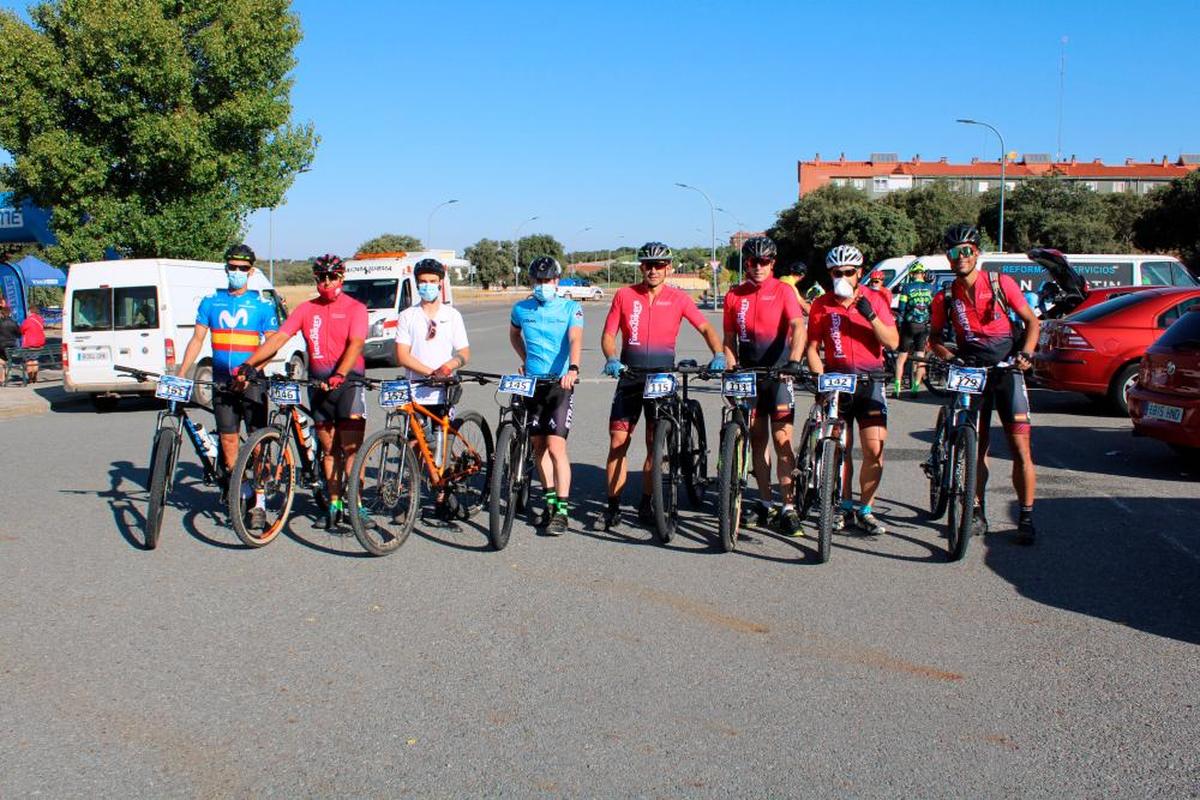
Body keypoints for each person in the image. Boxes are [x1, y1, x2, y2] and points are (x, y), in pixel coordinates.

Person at [597, 241, 725, 530]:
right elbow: (608, 334)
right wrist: (611, 357)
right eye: (647, 264)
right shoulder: (624, 295)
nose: (652, 270)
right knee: (618, 441)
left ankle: (647, 500)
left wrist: (717, 353)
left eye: (658, 265)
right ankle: (613, 505)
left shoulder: (678, 298)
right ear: (641, 266)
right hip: (630, 375)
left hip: (662, 379)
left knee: (655, 445)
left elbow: (705, 327)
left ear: (668, 268)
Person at [235, 254, 369, 528]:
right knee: (329, 450)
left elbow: (356, 343)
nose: (327, 282)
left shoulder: (355, 308)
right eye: (322, 277)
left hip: (349, 384)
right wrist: (249, 365)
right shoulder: (306, 309)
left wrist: (340, 373)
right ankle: (334, 504)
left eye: (332, 277)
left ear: (341, 278)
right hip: (318, 386)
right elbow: (280, 338)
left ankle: (357, 505)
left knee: (351, 451)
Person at [929, 223, 1040, 545]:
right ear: (948, 258)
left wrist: (1027, 354)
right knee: (975, 445)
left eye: (966, 251)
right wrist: (948, 357)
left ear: (976, 253)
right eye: (953, 252)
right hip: (971, 371)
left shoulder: (1001, 283)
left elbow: (1032, 322)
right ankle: (975, 509)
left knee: (1020, 448)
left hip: (1007, 369)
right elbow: (935, 339)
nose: (960, 257)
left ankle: (1026, 514)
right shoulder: (945, 296)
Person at [176, 245, 279, 525]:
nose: (236, 272)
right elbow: (197, 340)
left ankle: (259, 503)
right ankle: (241, 493)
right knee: (228, 440)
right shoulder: (211, 301)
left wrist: (252, 371)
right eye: (232, 267)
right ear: (225, 268)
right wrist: (182, 372)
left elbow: (272, 345)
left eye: (242, 269)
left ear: (252, 271)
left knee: (258, 444)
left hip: (252, 382)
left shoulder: (262, 304)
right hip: (222, 382)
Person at [806, 245, 900, 536]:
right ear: (830, 274)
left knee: (874, 449)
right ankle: (843, 505)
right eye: (837, 273)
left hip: (870, 381)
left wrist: (870, 315)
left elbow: (893, 342)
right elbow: (812, 348)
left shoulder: (876, 299)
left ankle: (866, 509)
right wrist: (819, 378)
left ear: (860, 273)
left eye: (848, 272)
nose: (843, 277)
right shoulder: (822, 304)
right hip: (837, 382)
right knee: (838, 450)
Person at [722, 235, 807, 537]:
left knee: (782, 442)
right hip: (750, 376)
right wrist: (731, 366)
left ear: (773, 263)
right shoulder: (734, 295)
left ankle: (789, 507)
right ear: (745, 263)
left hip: (780, 375)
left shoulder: (783, 291)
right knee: (758, 442)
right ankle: (766, 502)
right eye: (752, 261)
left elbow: (798, 326)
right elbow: (729, 338)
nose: (758, 266)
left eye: (764, 261)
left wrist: (795, 361)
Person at [508, 256, 584, 535]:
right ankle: (550, 503)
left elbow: (576, 338)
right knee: (538, 447)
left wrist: (573, 368)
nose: (543, 286)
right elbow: (514, 335)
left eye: (548, 280)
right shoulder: (521, 308)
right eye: (538, 281)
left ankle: (562, 511)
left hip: (559, 384)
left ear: (557, 281)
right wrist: (525, 358)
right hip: (532, 383)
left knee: (556, 447)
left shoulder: (570, 308)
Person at [394, 257, 471, 519]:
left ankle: (442, 495)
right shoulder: (407, 316)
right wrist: (430, 373)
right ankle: (412, 499)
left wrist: (449, 366)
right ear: (416, 284)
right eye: (422, 282)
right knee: (415, 447)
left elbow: (464, 352)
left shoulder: (452, 315)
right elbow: (402, 356)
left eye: (432, 282)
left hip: (444, 390)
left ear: (440, 284)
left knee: (441, 445)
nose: (427, 286)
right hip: (416, 389)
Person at [893, 261, 936, 398]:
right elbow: (933, 308)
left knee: (901, 358)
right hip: (923, 326)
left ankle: (897, 389)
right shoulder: (931, 288)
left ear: (912, 274)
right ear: (923, 274)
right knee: (920, 358)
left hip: (909, 324)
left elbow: (901, 307)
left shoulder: (907, 287)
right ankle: (915, 389)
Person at [19, 306, 46, 383]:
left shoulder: (28, 321)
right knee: (35, 360)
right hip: (39, 344)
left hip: (29, 344)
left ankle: (30, 379)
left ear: (30, 312)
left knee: (29, 361)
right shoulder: (40, 319)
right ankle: (35, 378)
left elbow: (22, 330)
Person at [0, 301, 20, 379]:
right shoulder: (14, 323)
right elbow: (19, 334)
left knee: (1, 361)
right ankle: (4, 375)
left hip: (1, 345)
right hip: (11, 345)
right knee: (5, 359)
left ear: (2, 314)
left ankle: (2, 378)